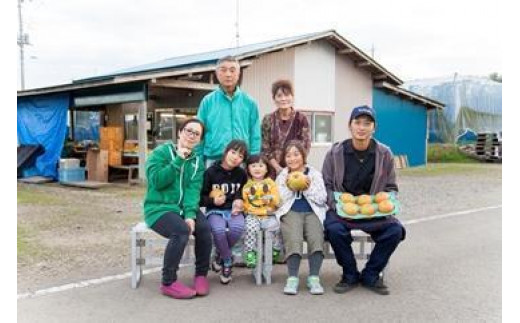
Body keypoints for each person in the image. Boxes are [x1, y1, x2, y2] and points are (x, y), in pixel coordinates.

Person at [322, 105, 406, 296]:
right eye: (357, 122)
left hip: (372, 211)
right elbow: (325, 185)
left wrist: (385, 205)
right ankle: (350, 274)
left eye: (367, 123)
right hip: (343, 209)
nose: (362, 127)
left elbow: (391, 187)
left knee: (395, 230)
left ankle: (371, 274)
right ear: (349, 126)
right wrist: (336, 205)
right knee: (334, 230)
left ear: (374, 128)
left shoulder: (385, 154)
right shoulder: (335, 153)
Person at [143, 118, 212, 299]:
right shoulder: (161, 152)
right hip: (159, 208)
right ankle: (168, 282)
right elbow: (156, 181)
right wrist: (178, 161)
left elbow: (193, 191)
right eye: (189, 131)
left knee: (204, 228)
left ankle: (201, 275)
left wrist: (190, 214)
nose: (192, 135)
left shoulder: (197, 162)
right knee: (181, 231)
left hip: (183, 208)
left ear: (200, 140)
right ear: (180, 132)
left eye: (197, 134)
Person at [275, 140, 328, 295]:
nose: (292, 159)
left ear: (303, 155)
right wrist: (290, 187)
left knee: (316, 237)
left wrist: (307, 187)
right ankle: (292, 278)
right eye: (288, 156)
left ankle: (314, 278)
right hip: (290, 212)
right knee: (293, 238)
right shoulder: (283, 175)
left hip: (312, 211)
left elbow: (322, 198)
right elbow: (278, 200)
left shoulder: (314, 174)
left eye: (296, 154)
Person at [197, 56, 261, 167]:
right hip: (213, 159)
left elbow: (255, 133)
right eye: (223, 70)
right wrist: (198, 160)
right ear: (217, 73)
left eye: (232, 70)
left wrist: (254, 158)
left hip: (241, 160)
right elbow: (198, 132)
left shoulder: (249, 102)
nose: (228, 74)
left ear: (238, 74)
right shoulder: (207, 101)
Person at [200, 139, 248, 284]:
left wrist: (239, 201)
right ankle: (227, 261)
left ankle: (219, 255)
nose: (235, 157)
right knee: (218, 230)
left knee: (238, 228)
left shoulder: (241, 174)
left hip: (234, 211)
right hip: (215, 211)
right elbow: (200, 197)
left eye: (240, 156)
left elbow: (243, 192)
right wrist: (212, 201)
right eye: (233, 152)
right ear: (226, 152)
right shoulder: (210, 172)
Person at [261, 79, 311, 178]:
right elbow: (265, 148)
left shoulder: (301, 118)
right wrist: (278, 168)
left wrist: (293, 167)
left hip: (296, 170)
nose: (283, 99)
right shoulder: (268, 119)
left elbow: (305, 146)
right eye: (279, 96)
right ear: (274, 98)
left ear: (292, 97)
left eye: (287, 95)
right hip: (273, 170)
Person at [242, 154, 282, 268]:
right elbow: (245, 202)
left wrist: (270, 198)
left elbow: (277, 199)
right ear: (248, 169)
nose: (257, 168)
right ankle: (251, 253)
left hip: (269, 215)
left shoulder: (271, 184)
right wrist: (245, 209)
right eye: (253, 166)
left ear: (266, 169)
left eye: (260, 166)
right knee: (250, 228)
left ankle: (275, 249)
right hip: (253, 215)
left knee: (277, 227)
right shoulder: (247, 186)